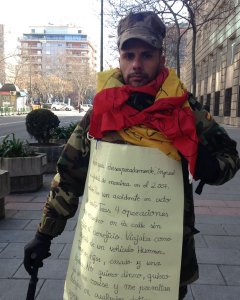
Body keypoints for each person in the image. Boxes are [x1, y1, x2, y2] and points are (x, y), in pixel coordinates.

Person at [23, 11, 240, 300]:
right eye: (128, 55)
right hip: (106, 256)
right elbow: (69, 177)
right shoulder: (100, 112)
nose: (136, 64)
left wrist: (211, 168)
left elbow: (230, 156)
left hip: (164, 258)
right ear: (120, 59)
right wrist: (44, 234)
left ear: (161, 58)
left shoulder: (187, 110)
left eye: (146, 55)